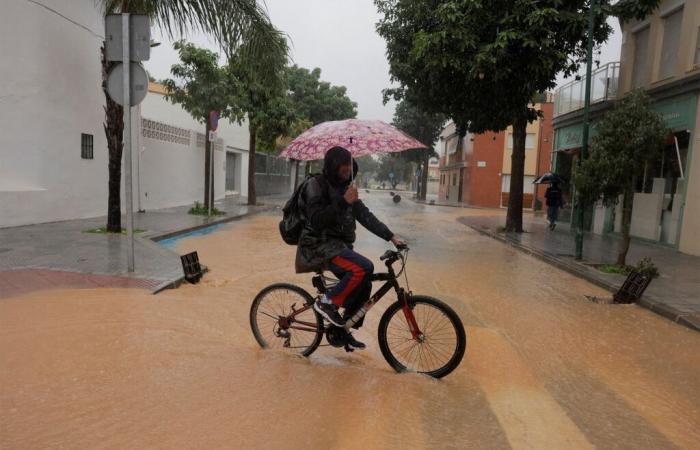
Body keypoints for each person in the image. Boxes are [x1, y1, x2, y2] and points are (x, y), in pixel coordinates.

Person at [296, 146, 406, 349]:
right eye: (343, 164)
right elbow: (317, 220)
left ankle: (343, 330)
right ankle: (327, 302)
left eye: (349, 164)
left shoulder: (346, 189)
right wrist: (343, 202)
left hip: (338, 246)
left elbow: (365, 216)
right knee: (363, 267)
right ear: (333, 165)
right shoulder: (315, 185)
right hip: (317, 246)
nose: (347, 168)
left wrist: (391, 236)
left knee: (365, 284)